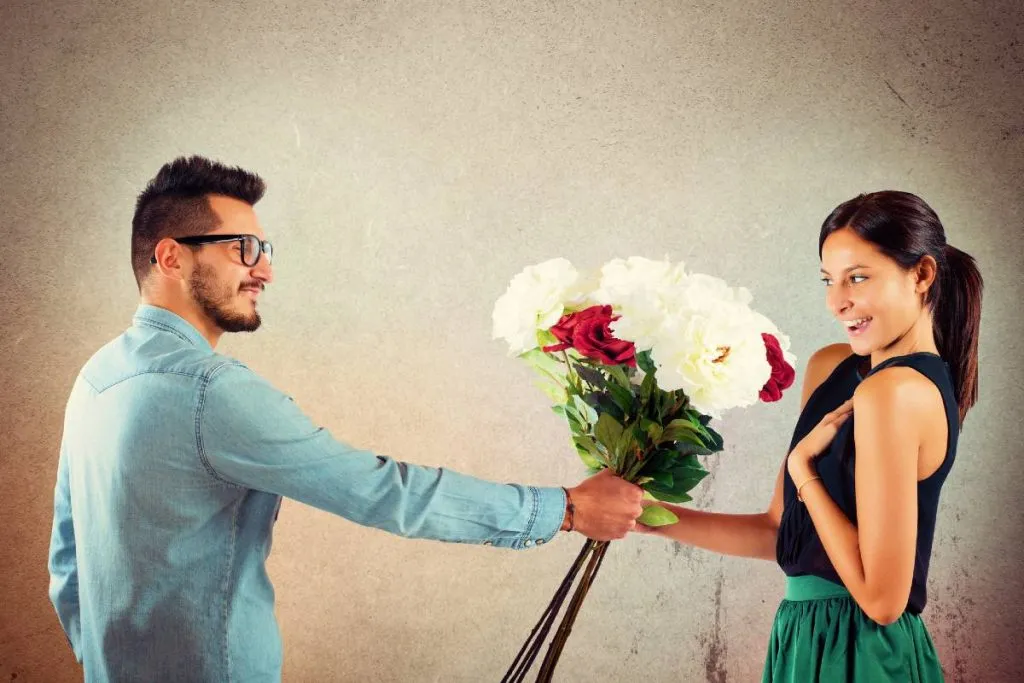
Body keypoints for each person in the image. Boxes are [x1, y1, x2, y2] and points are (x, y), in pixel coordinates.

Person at [46, 156, 645, 682]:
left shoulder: (96, 376)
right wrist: (565, 509)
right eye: (243, 249)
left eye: (266, 251)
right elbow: (383, 492)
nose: (265, 271)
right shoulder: (210, 391)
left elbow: (66, 566)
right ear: (172, 257)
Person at [635, 191, 982, 682]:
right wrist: (648, 517)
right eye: (828, 280)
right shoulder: (831, 366)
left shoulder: (896, 392)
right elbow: (778, 531)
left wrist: (805, 473)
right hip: (801, 639)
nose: (837, 301)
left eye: (857, 277)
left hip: (863, 651)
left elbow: (883, 601)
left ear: (922, 275)